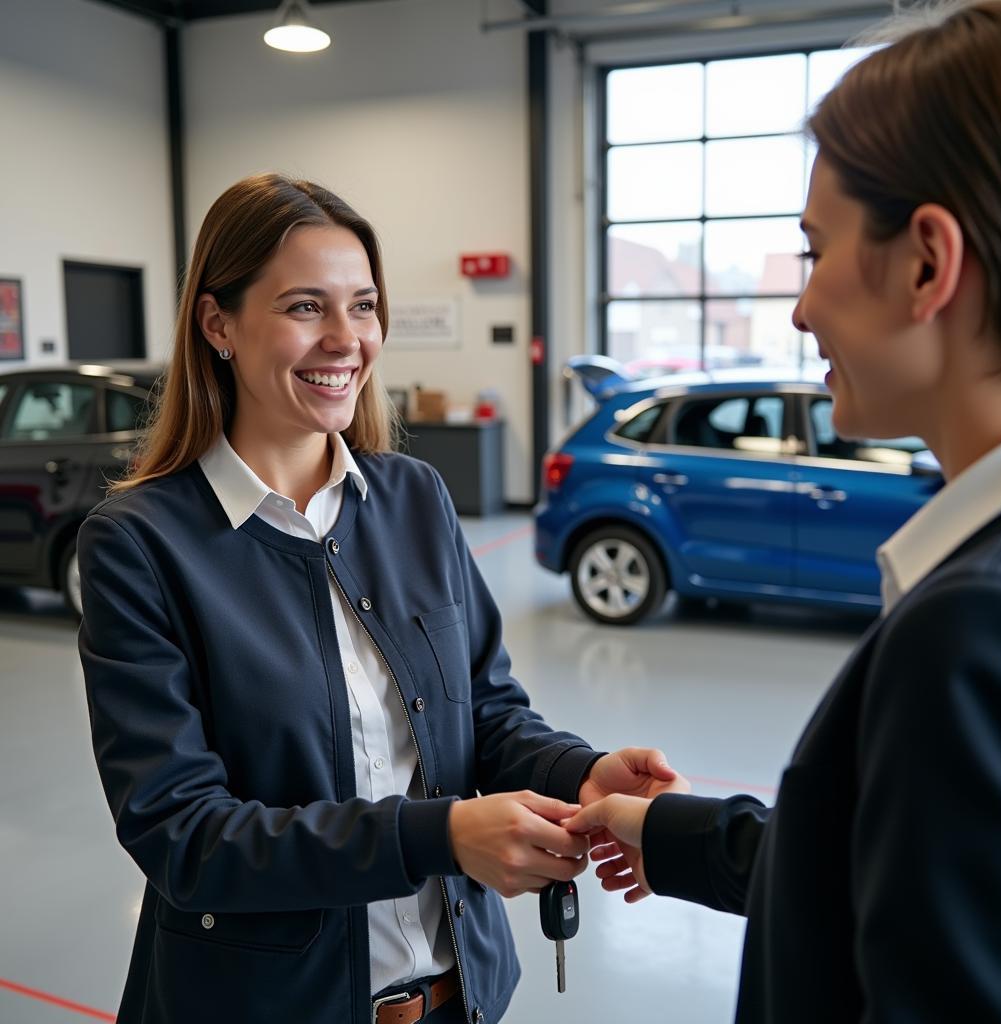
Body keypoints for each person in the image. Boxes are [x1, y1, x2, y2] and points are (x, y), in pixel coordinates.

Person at [77, 173, 679, 1024]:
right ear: (218, 324)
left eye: (362, 306)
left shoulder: (412, 498)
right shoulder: (141, 543)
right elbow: (184, 836)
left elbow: (489, 714)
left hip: (454, 998)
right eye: (304, 307)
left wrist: (580, 773)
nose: (345, 340)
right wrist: (437, 837)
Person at [566, 2, 1001, 1019]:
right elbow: (892, 872)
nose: (799, 307)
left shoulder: (973, 626)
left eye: (814, 252)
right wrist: (669, 829)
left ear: (925, 263)